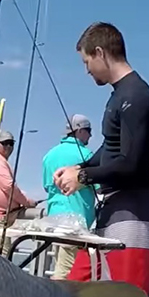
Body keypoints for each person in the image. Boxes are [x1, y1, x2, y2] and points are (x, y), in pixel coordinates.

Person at [53, 21, 149, 297]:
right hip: (113, 207)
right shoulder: (118, 97)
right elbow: (108, 152)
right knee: (76, 289)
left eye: (86, 62)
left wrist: (83, 176)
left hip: (137, 210)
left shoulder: (137, 95)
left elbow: (131, 163)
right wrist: (78, 170)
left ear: (100, 53)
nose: (86, 70)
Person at [40, 114, 97, 279]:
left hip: (54, 222)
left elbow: (47, 186)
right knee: (66, 275)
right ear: (79, 131)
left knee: (61, 264)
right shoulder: (87, 156)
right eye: (88, 130)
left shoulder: (49, 156)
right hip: (75, 225)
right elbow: (99, 188)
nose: (91, 135)